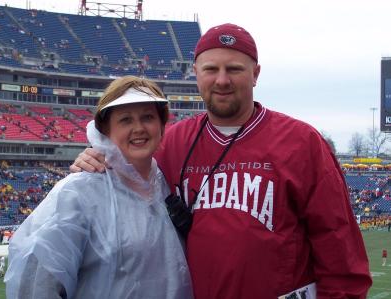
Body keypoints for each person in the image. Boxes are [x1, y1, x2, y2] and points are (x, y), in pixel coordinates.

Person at [71, 23, 372, 298]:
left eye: (235, 69)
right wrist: (97, 158)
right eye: (211, 69)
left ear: (255, 73)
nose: (222, 80)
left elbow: (340, 251)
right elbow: (130, 182)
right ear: (196, 73)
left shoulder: (302, 142)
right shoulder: (173, 142)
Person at [5, 76, 193, 299]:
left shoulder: (170, 184)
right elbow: (35, 284)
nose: (139, 128)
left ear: (162, 127)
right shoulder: (78, 192)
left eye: (148, 117)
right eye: (125, 120)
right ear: (105, 130)